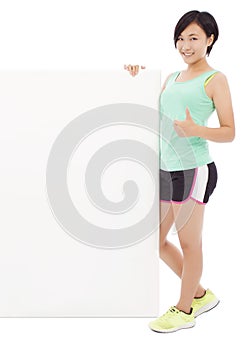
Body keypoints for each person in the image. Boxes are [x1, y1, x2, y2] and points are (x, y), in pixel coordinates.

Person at [125, 10, 235, 333]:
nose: (185, 45)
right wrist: (136, 77)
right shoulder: (171, 77)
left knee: (189, 244)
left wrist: (196, 130)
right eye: (181, 38)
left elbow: (229, 131)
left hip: (194, 169)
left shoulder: (215, 80)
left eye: (194, 38)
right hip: (166, 167)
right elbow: (154, 112)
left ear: (210, 40)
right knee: (157, 242)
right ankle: (199, 294)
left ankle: (184, 310)